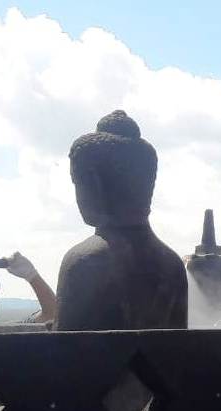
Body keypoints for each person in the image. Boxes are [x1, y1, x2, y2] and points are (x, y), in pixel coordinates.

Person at [54, 110, 187, 331]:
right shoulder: (172, 264)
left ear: (94, 184)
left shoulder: (84, 261)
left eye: (78, 183)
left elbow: (65, 352)